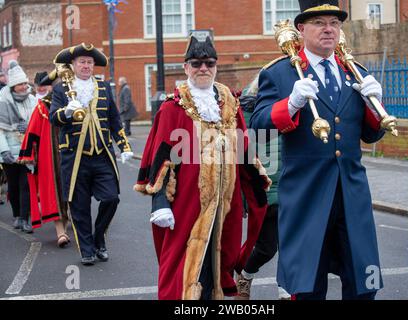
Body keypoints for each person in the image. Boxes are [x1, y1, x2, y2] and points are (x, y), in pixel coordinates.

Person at [250, 0, 395, 300]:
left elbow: (371, 133)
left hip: (351, 198)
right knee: (306, 289)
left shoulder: (355, 71)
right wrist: (290, 104)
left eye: (334, 22)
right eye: (319, 23)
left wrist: (375, 106)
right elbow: (258, 124)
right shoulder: (280, 74)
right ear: (301, 28)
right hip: (306, 197)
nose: (328, 29)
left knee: (363, 285)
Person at [134, 36, 270, 300]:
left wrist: (256, 186)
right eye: (196, 63)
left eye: (209, 63)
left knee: (216, 267)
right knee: (184, 269)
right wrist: (160, 202)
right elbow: (162, 156)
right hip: (187, 206)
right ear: (186, 68)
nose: (203, 68)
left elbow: (244, 149)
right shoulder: (173, 109)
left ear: (216, 66)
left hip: (224, 206)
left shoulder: (229, 106)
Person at [50, 43, 134, 265]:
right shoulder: (61, 89)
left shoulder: (104, 87)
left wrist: (124, 145)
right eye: (82, 62)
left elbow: (115, 120)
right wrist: (66, 112)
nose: (86, 66)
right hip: (74, 157)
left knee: (110, 198)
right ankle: (87, 250)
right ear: (73, 65)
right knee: (79, 207)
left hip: (102, 155)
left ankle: (99, 239)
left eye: (89, 62)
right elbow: (53, 118)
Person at [235, 75, 290, 300]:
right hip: (263, 194)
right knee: (266, 249)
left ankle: (286, 289)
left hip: (289, 192)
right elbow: (240, 159)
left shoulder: (286, 108)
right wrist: (243, 198)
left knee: (291, 246)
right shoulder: (243, 114)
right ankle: (245, 276)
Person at [18, 71, 70, 248]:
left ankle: (68, 222)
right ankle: (60, 232)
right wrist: (29, 157)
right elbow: (32, 132)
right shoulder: (43, 106)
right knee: (55, 192)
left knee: (73, 192)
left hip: (73, 152)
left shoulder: (74, 101)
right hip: (51, 155)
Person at [0, 60, 37, 233]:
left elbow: (38, 122)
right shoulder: (2, 100)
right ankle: (16, 215)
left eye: (25, 83)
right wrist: (4, 150)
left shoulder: (32, 100)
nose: (24, 87)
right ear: (13, 86)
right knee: (13, 186)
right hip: (9, 150)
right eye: (20, 84)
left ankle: (25, 218)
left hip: (27, 150)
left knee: (26, 185)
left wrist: (28, 125)